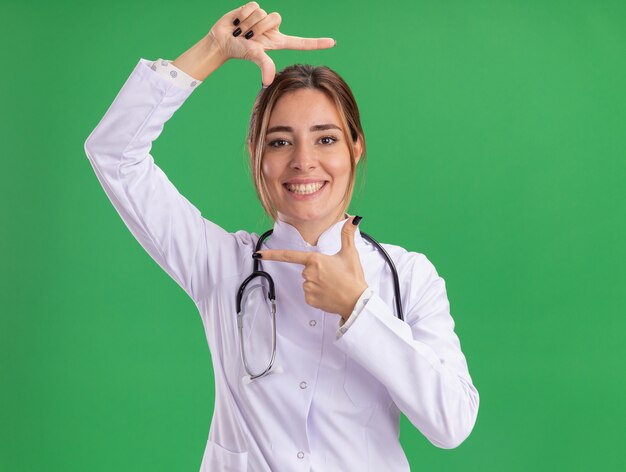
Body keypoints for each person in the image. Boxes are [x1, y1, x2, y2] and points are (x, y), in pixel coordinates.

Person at [84, 2, 480, 470]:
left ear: (356, 148)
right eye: (280, 140)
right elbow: (114, 153)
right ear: (256, 153)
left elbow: (452, 424)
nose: (303, 161)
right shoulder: (220, 265)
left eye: (326, 138)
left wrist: (359, 309)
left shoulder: (408, 276)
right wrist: (213, 49)